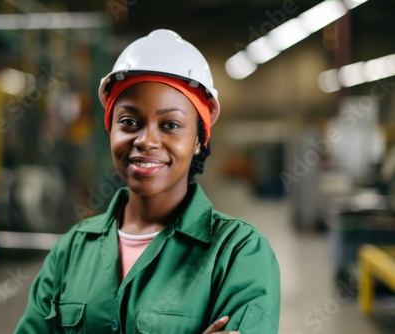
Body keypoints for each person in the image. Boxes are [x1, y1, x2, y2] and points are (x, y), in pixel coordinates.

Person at [15, 29, 280, 334]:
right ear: (110, 131)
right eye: (129, 122)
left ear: (198, 139)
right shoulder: (70, 251)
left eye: (170, 125)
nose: (146, 140)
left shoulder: (239, 254)